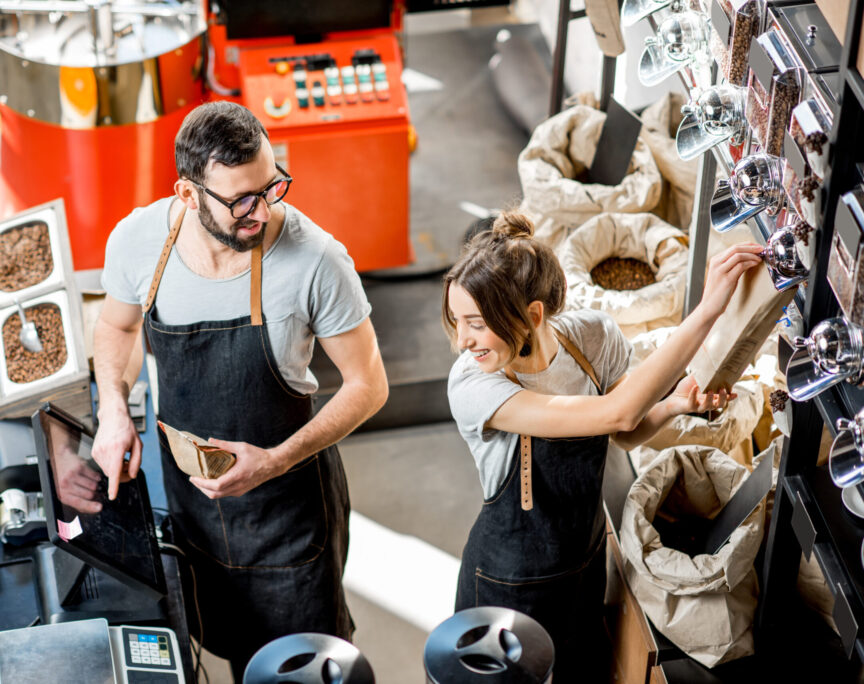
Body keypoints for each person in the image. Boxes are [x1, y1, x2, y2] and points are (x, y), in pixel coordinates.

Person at [91, 101, 389, 679]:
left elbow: (369, 385)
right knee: (235, 650)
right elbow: (116, 327)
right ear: (188, 194)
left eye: (271, 187)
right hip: (195, 507)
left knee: (303, 665)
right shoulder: (138, 241)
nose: (262, 211)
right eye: (241, 201)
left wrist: (275, 461)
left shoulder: (316, 261)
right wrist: (112, 409)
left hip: (287, 516)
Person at [444, 209, 761, 682]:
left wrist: (674, 405)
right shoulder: (474, 385)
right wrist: (708, 310)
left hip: (585, 562)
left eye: (475, 323)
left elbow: (625, 433)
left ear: (532, 316)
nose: (462, 340)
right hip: (510, 580)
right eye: (457, 321)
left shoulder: (593, 337)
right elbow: (619, 412)